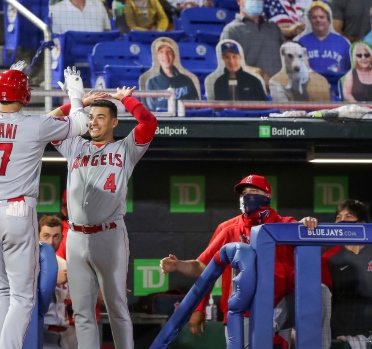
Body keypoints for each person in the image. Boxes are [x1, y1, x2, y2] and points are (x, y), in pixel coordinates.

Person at [0, 61, 90, 349]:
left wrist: (4, 82)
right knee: (22, 297)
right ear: (25, 95)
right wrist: (74, 93)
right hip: (16, 211)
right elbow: (81, 124)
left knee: (2, 291)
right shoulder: (34, 123)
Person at [160, 174, 327, 348]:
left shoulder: (285, 224)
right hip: (243, 312)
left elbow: (314, 250)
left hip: (279, 307)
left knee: (320, 291)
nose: (247, 197)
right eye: (243, 193)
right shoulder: (228, 230)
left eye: (253, 191)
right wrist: (179, 266)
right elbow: (202, 268)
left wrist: (308, 225)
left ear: (268, 196)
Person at [50, 86, 158, 348]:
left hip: (109, 234)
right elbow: (49, 123)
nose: (93, 122)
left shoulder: (125, 149)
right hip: (75, 236)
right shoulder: (75, 145)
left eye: (100, 117)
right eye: (90, 116)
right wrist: (76, 102)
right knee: (82, 311)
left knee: (117, 306)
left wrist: (125, 99)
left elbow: (149, 122)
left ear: (113, 122)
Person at [322, 199, 372, 339]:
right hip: (341, 333)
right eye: (338, 217)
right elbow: (324, 300)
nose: (342, 221)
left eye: (348, 216)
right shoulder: (328, 258)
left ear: (362, 223)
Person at [220, 0, 286, 85]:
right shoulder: (231, 30)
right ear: (239, 1)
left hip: (279, 91)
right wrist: (256, 73)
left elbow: (287, 58)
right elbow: (227, 66)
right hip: (249, 90)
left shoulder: (273, 27)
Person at [38, 215, 77, 349]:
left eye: (56, 236)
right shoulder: (29, 263)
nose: (50, 242)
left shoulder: (65, 265)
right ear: (38, 236)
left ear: (61, 238)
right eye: (46, 236)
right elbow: (24, 296)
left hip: (63, 334)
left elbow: (73, 299)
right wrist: (53, 280)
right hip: (41, 332)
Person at [294, 2, 351, 76]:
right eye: (314, 17)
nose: (318, 20)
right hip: (308, 85)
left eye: (321, 17)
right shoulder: (300, 42)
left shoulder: (343, 42)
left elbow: (349, 72)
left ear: (329, 20)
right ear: (310, 21)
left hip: (335, 86)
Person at [145, 37, 200, 110]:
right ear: (157, 56)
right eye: (161, 51)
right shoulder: (151, 83)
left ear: (174, 55)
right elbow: (151, 111)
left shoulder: (187, 81)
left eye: (169, 51)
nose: (165, 56)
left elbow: (196, 108)